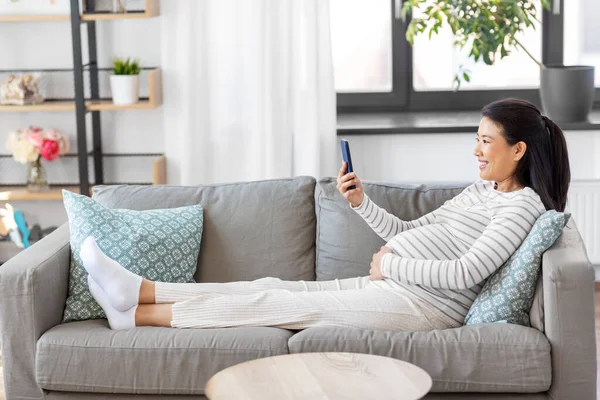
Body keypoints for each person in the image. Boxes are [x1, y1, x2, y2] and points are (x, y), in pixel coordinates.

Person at [81, 98, 570, 332]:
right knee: (267, 286)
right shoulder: (481, 189)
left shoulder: (521, 205)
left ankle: (138, 317)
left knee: (272, 307)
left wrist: (390, 265)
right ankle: (139, 293)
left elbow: (467, 272)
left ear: (520, 149)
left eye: (487, 140)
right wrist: (362, 205)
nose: (477, 150)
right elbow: (408, 230)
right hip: (393, 287)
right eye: (477, 138)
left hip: (424, 308)